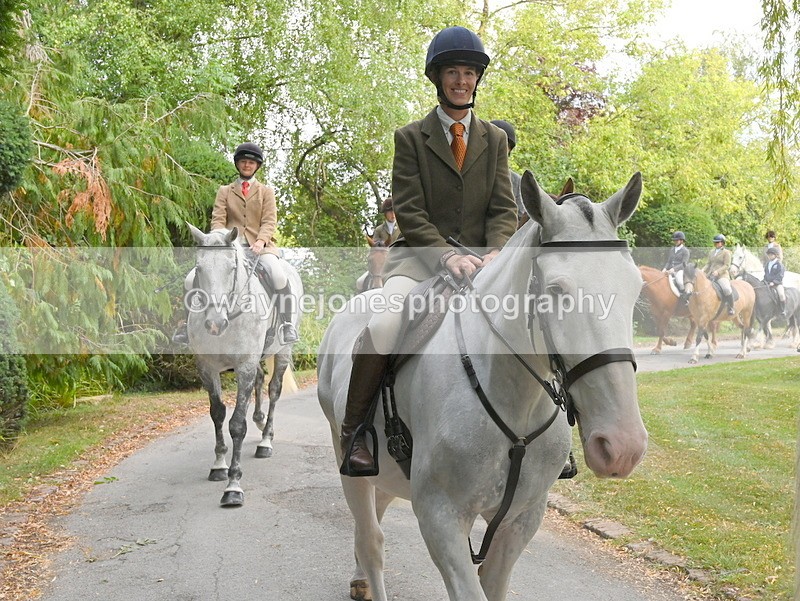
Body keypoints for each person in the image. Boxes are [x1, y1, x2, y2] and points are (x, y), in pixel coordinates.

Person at [339, 26, 518, 477]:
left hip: (484, 264)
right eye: (453, 72)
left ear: (478, 79)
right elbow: (411, 212)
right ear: (438, 78)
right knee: (383, 322)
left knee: (534, 317)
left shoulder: (495, 140)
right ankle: (356, 431)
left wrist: (496, 252)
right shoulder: (410, 138)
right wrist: (445, 256)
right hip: (419, 262)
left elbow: (503, 208)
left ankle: (551, 434)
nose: (462, 80)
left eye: (469, 73)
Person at [173, 142, 298, 346]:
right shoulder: (225, 191)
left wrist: (260, 241)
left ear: (256, 166)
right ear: (237, 164)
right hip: (228, 247)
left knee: (278, 274)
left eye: (251, 162)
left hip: (260, 247)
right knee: (190, 280)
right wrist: (218, 241)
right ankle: (186, 327)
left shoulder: (266, 192)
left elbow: (269, 220)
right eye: (243, 162)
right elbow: (218, 220)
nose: (247, 165)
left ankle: (286, 324)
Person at [490, 119, 524, 222]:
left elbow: (520, 215)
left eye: (504, 145)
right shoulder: (469, 172)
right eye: (493, 143)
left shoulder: (516, 181)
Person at [703, 234, 735, 315]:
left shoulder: (726, 252)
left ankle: (731, 307)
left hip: (722, 275)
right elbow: (708, 264)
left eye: (718, 242)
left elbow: (727, 265)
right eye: (715, 242)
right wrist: (702, 270)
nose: (716, 244)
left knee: (726, 289)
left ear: (722, 243)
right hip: (710, 274)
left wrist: (718, 271)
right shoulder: (711, 252)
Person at [662, 231, 690, 305]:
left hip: (680, 270)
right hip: (670, 270)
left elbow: (684, 264)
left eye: (677, 240)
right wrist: (664, 269)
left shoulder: (685, 251)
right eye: (674, 240)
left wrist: (674, 269)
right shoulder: (672, 249)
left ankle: (685, 298)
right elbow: (668, 261)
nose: (675, 242)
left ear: (681, 241)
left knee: (679, 281)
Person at [763, 246, 786, 316]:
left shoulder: (779, 264)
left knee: (781, 295)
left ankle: (783, 310)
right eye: (769, 254)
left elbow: (780, 275)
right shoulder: (767, 264)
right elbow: (766, 274)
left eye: (771, 254)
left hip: (777, 283)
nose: (769, 256)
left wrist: (774, 282)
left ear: (775, 255)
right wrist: (764, 280)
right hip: (767, 283)